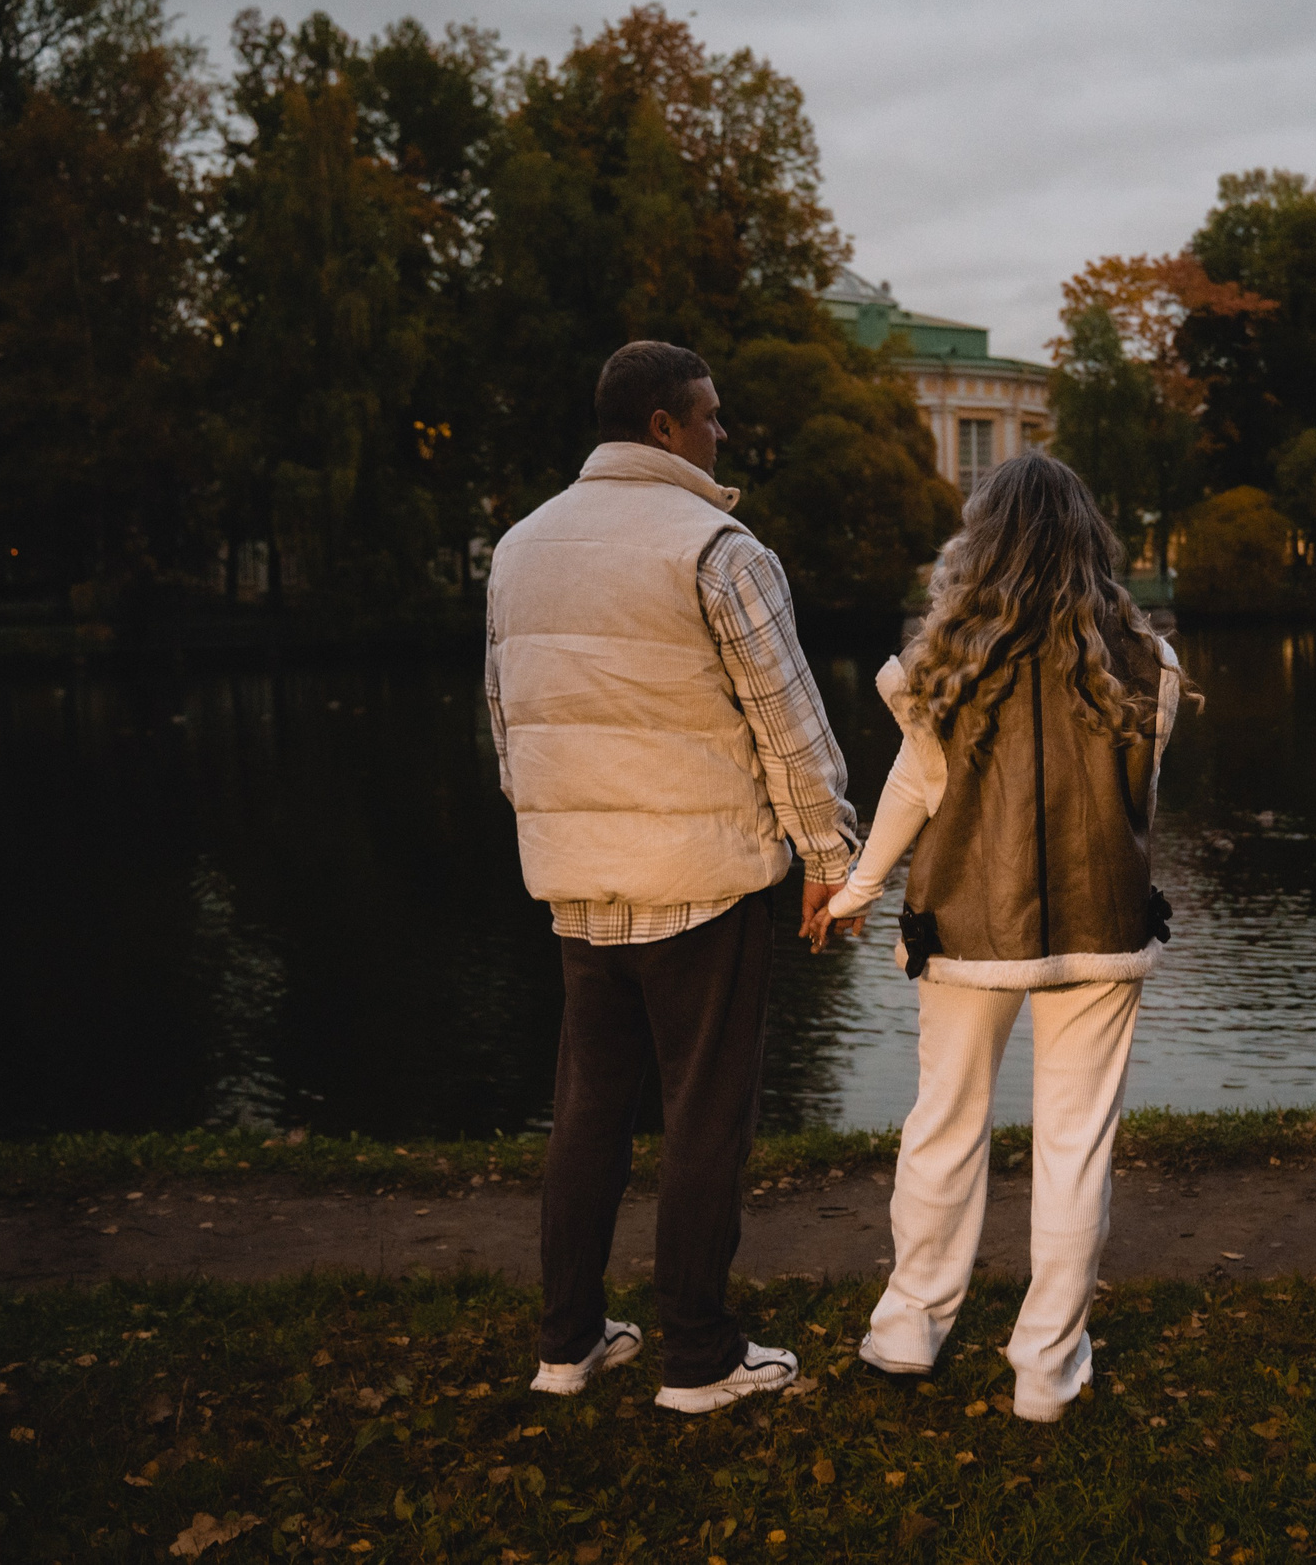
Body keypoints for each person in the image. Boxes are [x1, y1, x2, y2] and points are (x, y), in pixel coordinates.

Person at [484, 340, 860, 1414]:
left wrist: (558, 836)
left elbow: (508, 726)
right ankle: (697, 1356)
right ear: (663, 425)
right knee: (705, 1116)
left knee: (587, 1112)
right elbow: (791, 732)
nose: (722, 433)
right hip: (701, 881)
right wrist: (828, 857)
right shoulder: (719, 548)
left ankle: (567, 1345)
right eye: (711, 415)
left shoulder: (518, 547)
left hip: (578, 883)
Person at [815, 454, 1184, 1422]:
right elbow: (1138, 807)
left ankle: (907, 1332)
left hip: (965, 926)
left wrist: (853, 892)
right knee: (1076, 1145)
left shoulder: (943, 663)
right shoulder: (1153, 663)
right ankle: (1046, 1371)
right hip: (1104, 924)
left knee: (943, 1123)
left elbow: (912, 791)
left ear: (983, 542)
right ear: (1090, 540)